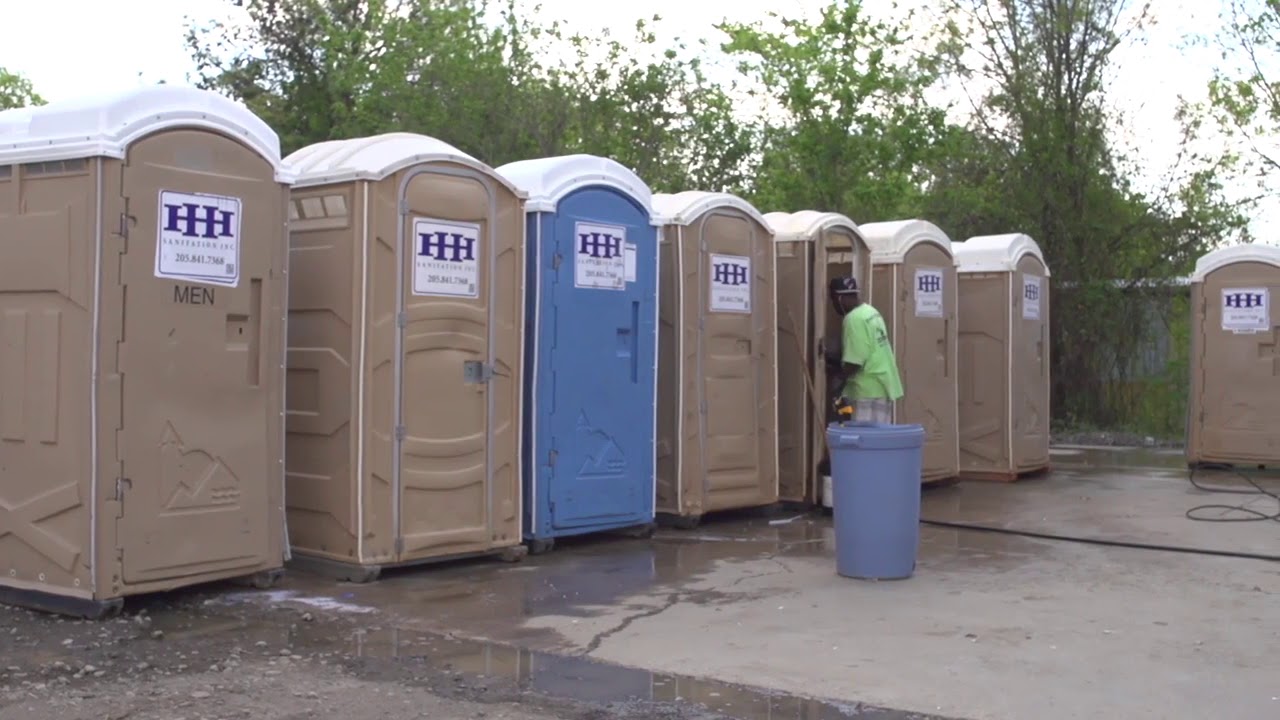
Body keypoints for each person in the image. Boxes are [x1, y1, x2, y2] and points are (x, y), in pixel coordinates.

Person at [821, 276, 903, 424]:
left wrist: (838, 380)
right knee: (879, 435)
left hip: (866, 390)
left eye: (833, 300)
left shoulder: (853, 319)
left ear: (839, 298)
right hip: (882, 385)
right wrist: (834, 360)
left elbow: (855, 362)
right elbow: (868, 349)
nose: (834, 306)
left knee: (863, 435)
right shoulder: (870, 312)